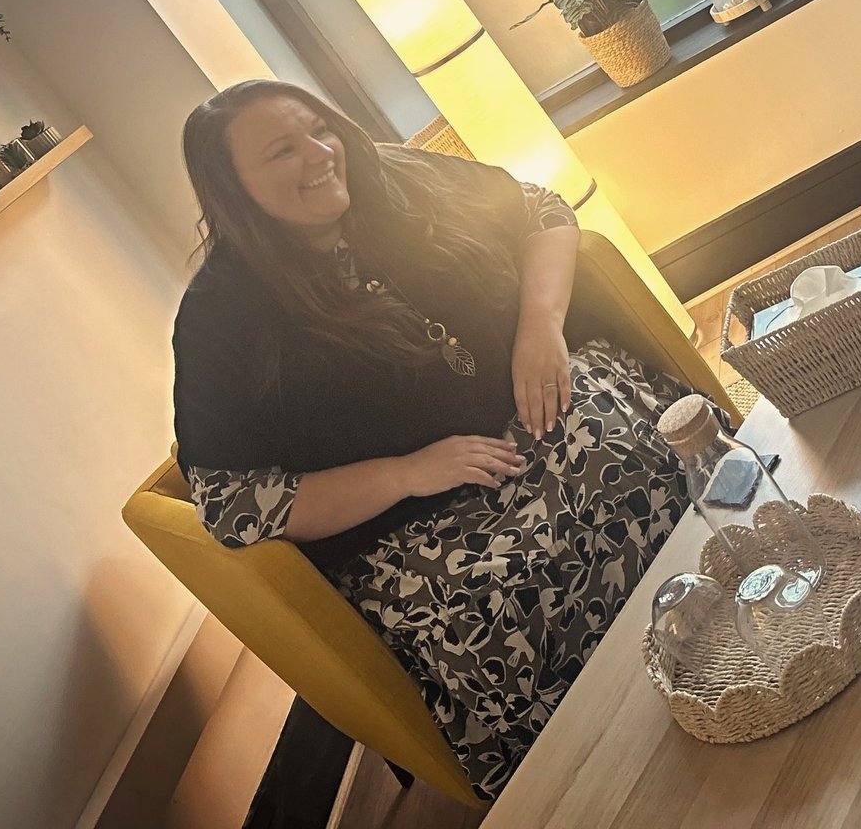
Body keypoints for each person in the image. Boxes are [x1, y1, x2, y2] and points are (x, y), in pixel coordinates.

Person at [172, 79, 697, 799]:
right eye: (283, 151)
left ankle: (729, 621)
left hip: (538, 418)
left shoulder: (398, 176)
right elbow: (230, 503)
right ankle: (618, 766)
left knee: (632, 453)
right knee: (509, 598)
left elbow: (540, 207)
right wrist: (407, 472)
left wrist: (540, 323)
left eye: (319, 129)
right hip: (419, 530)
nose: (321, 154)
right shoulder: (218, 317)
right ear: (233, 188)